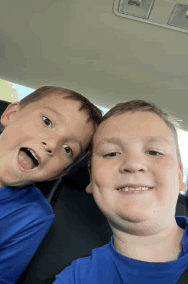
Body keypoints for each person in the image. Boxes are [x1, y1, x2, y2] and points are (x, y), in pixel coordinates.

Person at [0, 86, 103, 284]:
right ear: (11, 114)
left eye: (67, 149)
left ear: (59, 173)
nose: (52, 144)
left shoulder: (32, 216)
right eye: (47, 122)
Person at [54, 99, 188, 284]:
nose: (133, 164)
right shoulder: (78, 278)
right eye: (111, 153)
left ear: (180, 176)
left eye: (155, 152)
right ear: (91, 178)